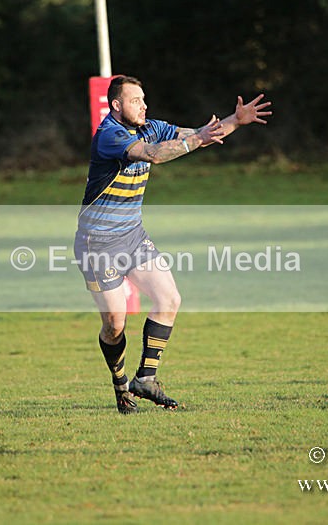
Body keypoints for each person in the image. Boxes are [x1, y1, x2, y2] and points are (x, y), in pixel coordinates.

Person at [74, 75, 272, 414]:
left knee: (169, 299)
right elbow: (153, 155)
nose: (144, 105)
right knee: (115, 324)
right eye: (135, 101)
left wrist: (235, 121)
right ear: (116, 105)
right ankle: (121, 384)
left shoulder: (152, 127)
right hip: (98, 244)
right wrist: (197, 140)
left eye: (143, 99)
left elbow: (199, 135)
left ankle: (145, 379)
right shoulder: (110, 135)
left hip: (132, 236)